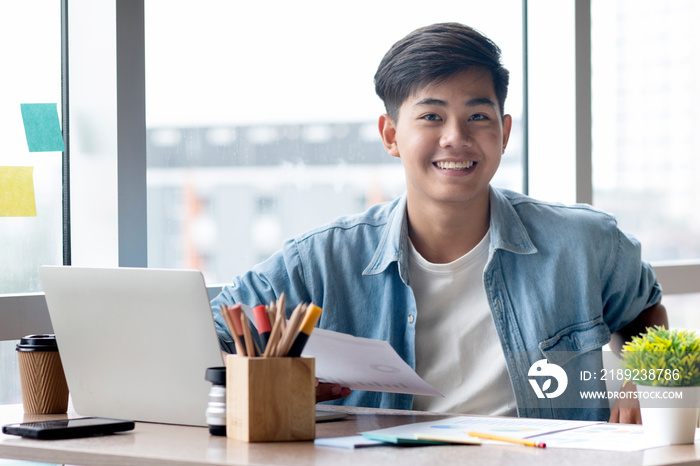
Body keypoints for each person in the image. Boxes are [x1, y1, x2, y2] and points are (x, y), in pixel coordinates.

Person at [210, 22, 667, 422]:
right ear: (391, 136)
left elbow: (646, 311)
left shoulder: (583, 242)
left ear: (504, 133)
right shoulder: (321, 260)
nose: (456, 137)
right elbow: (213, 333)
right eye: (431, 116)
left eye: (477, 116)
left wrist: (646, 378)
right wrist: (271, 383)